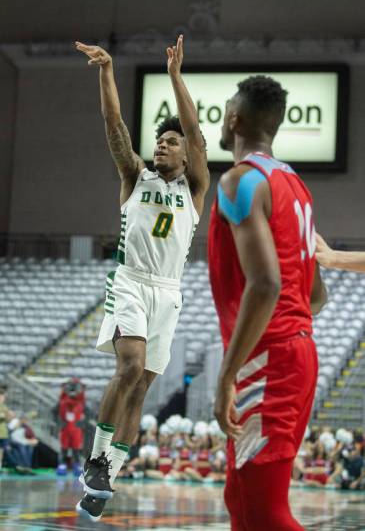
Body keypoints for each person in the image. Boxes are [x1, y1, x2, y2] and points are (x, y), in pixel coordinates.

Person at [74, 35, 209, 521]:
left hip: (168, 293)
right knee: (128, 368)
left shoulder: (195, 188)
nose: (162, 146)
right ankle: (95, 459)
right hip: (130, 280)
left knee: (142, 388)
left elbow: (195, 132)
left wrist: (176, 78)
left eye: (170, 143)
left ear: (186, 156)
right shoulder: (136, 175)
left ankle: (105, 475)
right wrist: (108, 72)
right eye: (159, 140)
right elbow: (115, 127)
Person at [208, 75, 327, 531]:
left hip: (269, 360)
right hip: (293, 352)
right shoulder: (295, 185)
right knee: (241, 502)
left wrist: (227, 376)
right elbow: (315, 295)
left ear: (235, 119)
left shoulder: (240, 181)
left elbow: (265, 285)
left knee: (263, 512)